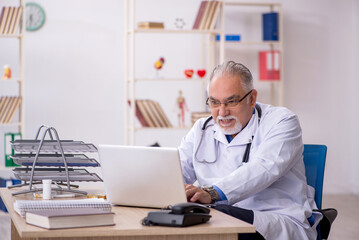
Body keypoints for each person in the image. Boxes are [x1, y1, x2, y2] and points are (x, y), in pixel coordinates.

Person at [178, 61, 321, 240]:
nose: (222, 112)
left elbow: (263, 168)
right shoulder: (202, 128)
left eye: (231, 101)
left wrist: (212, 193)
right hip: (218, 213)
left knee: (212, 221)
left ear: (252, 98)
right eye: (214, 103)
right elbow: (176, 171)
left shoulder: (282, 121)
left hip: (274, 219)